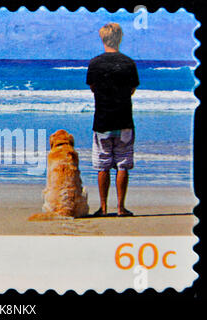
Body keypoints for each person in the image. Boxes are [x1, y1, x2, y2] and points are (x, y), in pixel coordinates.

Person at [86, 22, 139, 217]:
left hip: (102, 120)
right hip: (124, 119)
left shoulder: (95, 63)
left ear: (102, 39)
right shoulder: (128, 63)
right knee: (123, 164)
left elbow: (92, 87)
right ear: (120, 38)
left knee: (103, 165)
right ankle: (121, 207)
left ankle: (103, 207)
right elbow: (132, 89)